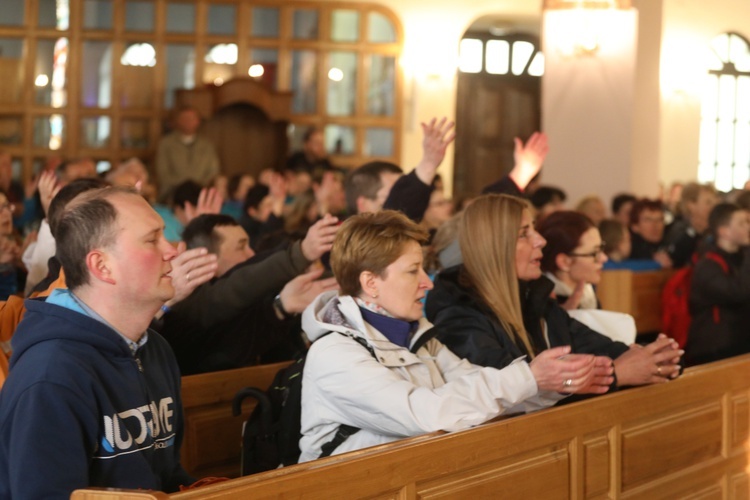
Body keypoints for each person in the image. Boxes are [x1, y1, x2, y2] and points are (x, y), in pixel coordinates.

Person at [298, 210, 615, 462]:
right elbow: (425, 415)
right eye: (413, 271)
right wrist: (530, 378)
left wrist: (551, 385)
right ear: (371, 283)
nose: (428, 283)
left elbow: (480, 387)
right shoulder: (335, 355)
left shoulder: (420, 337)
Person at [0, 187, 194, 497]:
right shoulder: (50, 376)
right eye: (152, 239)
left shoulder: (153, 348)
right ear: (102, 266)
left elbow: (169, 476)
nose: (171, 251)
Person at [425, 194, 682, 392]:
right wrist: (617, 373)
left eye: (534, 229)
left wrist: (647, 356)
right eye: (525, 234)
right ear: (495, 247)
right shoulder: (457, 313)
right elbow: (514, 389)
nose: (541, 241)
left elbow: (590, 343)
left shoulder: (532, 298)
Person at [160, 213, 339, 374]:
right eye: (241, 247)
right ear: (206, 260)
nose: (252, 254)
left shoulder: (256, 304)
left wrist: (281, 307)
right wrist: (301, 253)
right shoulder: (192, 314)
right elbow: (236, 286)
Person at [685, 203, 750, 366]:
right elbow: (739, 292)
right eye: (742, 223)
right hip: (714, 349)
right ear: (724, 231)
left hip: (740, 342)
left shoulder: (741, 258)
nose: (748, 227)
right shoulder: (707, 265)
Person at [537, 211, 606, 310]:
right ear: (564, 262)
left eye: (602, 248)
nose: (604, 258)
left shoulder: (587, 295)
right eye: (594, 253)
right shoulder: (544, 304)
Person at [156, 106, 220, 201]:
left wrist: (198, 186)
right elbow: (162, 171)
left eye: (191, 119)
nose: (188, 122)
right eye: (184, 119)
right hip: (172, 195)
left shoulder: (207, 145)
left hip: (200, 195)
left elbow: (213, 171)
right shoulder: (166, 143)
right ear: (178, 121)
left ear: (198, 121)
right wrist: (182, 186)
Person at [662, 182, 718, 268]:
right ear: (691, 205)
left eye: (714, 203)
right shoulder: (679, 232)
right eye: (708, 202)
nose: (713, 207)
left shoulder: (715, 231)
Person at [629, 198, 672, 267]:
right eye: (648, 220)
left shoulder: (672, 246)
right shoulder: (628, 251)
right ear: (635, 226)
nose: (655, 225)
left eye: (659, 220)